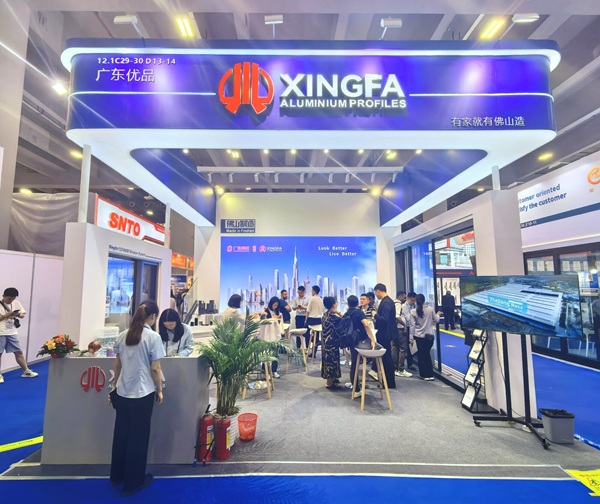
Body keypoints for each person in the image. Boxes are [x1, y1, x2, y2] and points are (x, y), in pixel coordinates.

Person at [110, 301, 165, 496]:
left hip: (123, 391)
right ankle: (133, 482)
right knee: (138, 438)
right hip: (143, 393)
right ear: (153, 317)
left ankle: (116, 475)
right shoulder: (153, 337)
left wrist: (114, 386)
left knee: (121, 434)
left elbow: (117, 366)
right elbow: (155, 368)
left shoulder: (123, 335)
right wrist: (159, 390)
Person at [0, 287, 38, 383]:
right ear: (3, 296)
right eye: (9, 298)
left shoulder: (16, 303)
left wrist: (16, 314)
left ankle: (26, 371)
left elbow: (22, 315)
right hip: (1, 332)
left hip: (12, 331)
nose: (11, 300)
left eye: (13, 298)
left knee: (18, 352)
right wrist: (6, 315)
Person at [345, 295, 376, 397]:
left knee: (354, 363)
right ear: (357, 302)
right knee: (357, 362)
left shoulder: (347, 313)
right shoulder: (359, 313)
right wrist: (372, 339)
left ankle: (355, 386)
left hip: (350, 340)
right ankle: (357, 389)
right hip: (360, 341)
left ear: (348, 303)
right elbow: (366, 325)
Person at [410, 293, 442, 381]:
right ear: (424, 300)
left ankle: (424, 374)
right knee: (427, 354)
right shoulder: (430, 309)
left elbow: (412, 325)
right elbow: (437, 320)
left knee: (421, 355)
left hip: (419, 336)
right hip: (429, 336)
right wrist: (438, 314)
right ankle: (430, 374)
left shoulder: (413, 311)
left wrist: (411, 337)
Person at [372, 283, 397, 389]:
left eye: (376, 293)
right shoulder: (388, 301)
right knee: (386, 358)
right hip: (386, 333)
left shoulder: (386, 302)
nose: (376, 295)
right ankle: (387, 381)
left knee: (387, 359)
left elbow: (384, 319)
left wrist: (375, 315)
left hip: (385, 334)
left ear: (378, 291)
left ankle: (389, 382)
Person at [321, 296, 343, 390]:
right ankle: (329, 383)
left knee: (328, 360)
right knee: (331, 361)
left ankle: (332, 380)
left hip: (326, 342)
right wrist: (338, 312)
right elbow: (346, 320)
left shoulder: (325, 315)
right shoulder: (334, 318)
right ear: (334, 305)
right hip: (332, 343)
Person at [261, 296, 282, 378]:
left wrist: (278, 318)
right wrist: (273, 318)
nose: (275, 307)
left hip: (275, 334)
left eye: (277, 305)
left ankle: (274, 371)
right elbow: (264, 322)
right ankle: (265, 371)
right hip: (267, 335)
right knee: (266, 353)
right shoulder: (265, 311)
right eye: (274, 305)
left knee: (275, 353)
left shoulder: (277, 311)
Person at [393, 291, 411, 378]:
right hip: (399, 329)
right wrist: (404, 325)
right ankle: (400, 369)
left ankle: (395, 368)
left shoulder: (392, 303)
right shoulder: (398, 304)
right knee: (402, 349)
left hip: (394, 329)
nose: (405, 299)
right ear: (400, 296)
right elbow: (397, 316)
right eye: (404, 297)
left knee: (395, 348)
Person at [401, 292, 418, 371]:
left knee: (412, 346)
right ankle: (407, 364)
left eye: (414, 301)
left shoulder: (414, 306)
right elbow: (408, 318)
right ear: (407, 298)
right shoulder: (404, 307)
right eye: (412, 300)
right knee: (406, 346)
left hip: (413, 328)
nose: (413, 302)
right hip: (406, 328)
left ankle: (410, 363)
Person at [306, 285, 325, 353]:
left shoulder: (312, 299)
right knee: (316, 336)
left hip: (311, 319)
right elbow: (323, 310)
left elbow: (308, 310)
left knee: (305, 333)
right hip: (319, 320)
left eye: (312, 290)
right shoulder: (321, 299)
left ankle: (310, 347)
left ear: (314, 291)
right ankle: (314, 353)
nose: (311, 292)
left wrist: (306, 319)